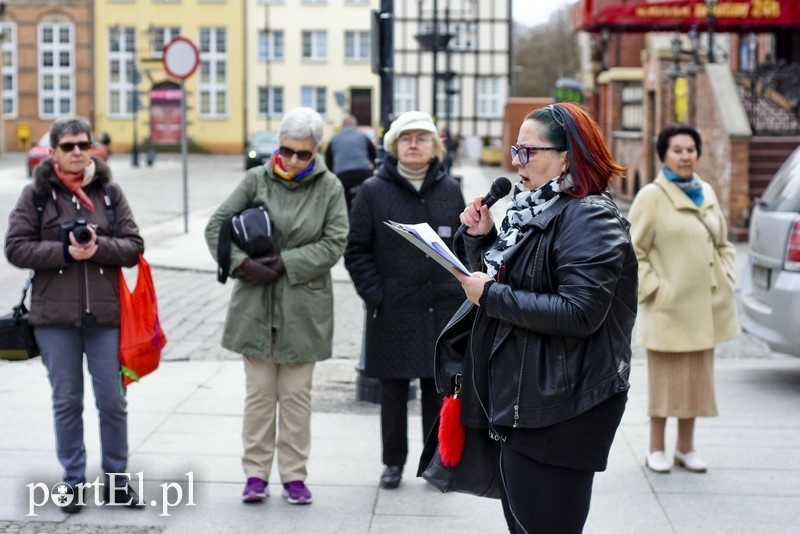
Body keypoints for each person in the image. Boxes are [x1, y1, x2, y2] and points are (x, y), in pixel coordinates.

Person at [451, 102, 638, 532]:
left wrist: (491, 295)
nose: (516, 162)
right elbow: (531, 279)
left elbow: (579, 312)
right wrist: (484, 243)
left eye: (527, 152)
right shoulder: (537, 209)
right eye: (514, 150)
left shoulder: (589, 216)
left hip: (565, 404)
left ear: (567, 156)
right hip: (527, 396)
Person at [204, 107, 349, 505]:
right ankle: (255, 475)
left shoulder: (329, 187)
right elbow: (216, 226)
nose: (293, 160)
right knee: (260, 397)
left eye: (304, 153)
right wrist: (241, 263)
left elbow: (336, 241)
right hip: (256, 303)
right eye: (287, 150)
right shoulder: (256, 179)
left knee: (297, 399)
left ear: (315, 151)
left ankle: (294, 476)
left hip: (304, 308)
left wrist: (287, 262)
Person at [5, 115, 145, 513]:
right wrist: (65, 252)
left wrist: (97, 246)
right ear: (53, 153)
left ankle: (117, 481)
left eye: (84, 145)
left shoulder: (109, 193)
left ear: (93, 149)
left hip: (105, 317)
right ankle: (73, 481)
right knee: (66, 400)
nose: (78, 152)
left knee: (113, 401)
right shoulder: (35, 196)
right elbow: (15, 248)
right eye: (69, 147)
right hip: (54, 320)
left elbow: (134, 245)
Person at [344, 111, 466, 490]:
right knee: (393, 391)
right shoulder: (373, 191)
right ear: (394, 146)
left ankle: (434, 463)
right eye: (406, 138)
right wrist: (375, 294)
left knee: (437, 389)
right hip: (393, 308)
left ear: (435, 147)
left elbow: (463, 245)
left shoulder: (450, 190)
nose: (414, 144)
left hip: (440, 308)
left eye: (422, 138)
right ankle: (392, 462)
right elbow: (356, 249)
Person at [628, 123, 740, 475]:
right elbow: (633, 250)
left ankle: (686, 448)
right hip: (668, 309)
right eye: (677, 149)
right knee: (665, 385)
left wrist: (725, 273)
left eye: (690, 149)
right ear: (664, 155)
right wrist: (656, 286)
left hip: (703, 308)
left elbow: (723, 242)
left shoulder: (705, 191)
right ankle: (656, 448)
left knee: (695, 383)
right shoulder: (651, 196)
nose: (685, 155)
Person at [325, 114, 377, 212]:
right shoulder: (363, 136)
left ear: (342, 125)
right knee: (369, 194)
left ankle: (347, 215)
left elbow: (328, 160)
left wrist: (333, 173)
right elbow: (373, 154)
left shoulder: (334, 139)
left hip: (342, 174)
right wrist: (373, 166)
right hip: (363, 172)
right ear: (355, 124)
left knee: (344, 199)